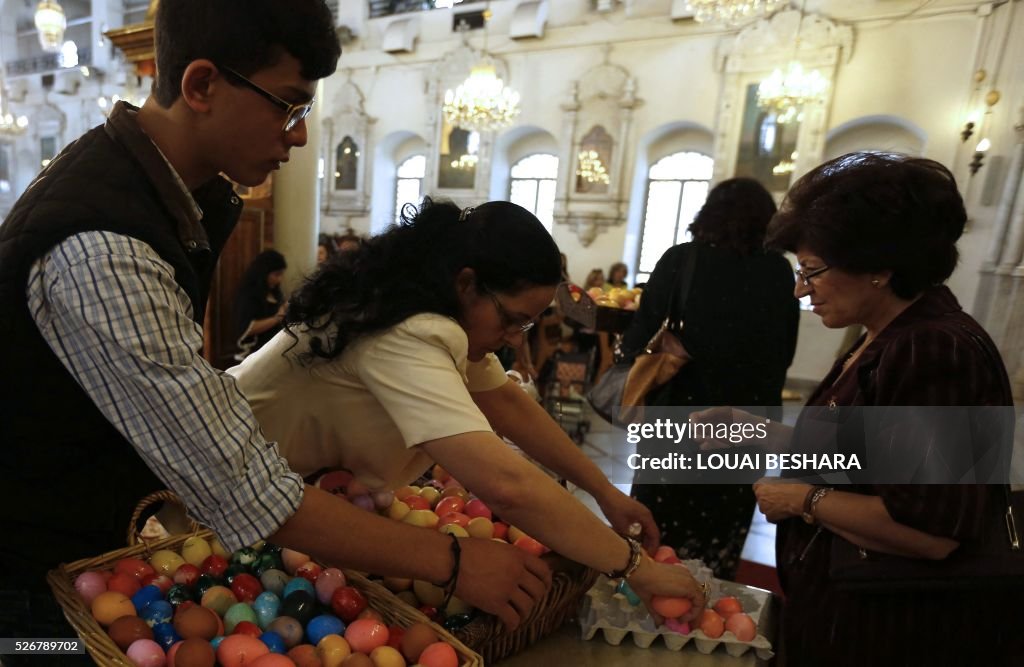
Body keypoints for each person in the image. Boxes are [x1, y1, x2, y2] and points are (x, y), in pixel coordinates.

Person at [0, 0, 549, 649]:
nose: (300, 136)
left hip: (87, 553)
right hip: (28, 592)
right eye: (287, 107)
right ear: (201, 85)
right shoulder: (103, 244)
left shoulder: (162, 199)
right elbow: (246, 488)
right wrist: (453, 560)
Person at [229, 198, 708, 618]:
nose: (511, 339)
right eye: (513, 321)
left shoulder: (435, 312)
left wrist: (604, 491)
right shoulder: (408, 329)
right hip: (218, 498)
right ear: (467, 284)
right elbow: (507, 487)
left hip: (281, 499)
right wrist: (634, 568)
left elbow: (506, 403)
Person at [703, 153, 1020, 665]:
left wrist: (800, 500)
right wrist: (758, 432)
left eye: (812, 271)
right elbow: (871, 457)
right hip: (841, 606)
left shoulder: (936, 349)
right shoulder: (884, 336)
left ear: (877, 265)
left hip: (884, 625)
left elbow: (932, 533)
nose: (800, 289)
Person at [621, 177, 799, 579]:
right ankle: (713, 615)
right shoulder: (779, 271)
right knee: (720, 536)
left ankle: (644, 609)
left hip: (677, 422)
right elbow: (783, 354)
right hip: (747, 424)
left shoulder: (680, 261)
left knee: (657, 533)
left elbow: (638, 341)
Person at [235, 249, 288, 358]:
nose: (279, 279)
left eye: (281, 275)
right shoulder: (249, 294)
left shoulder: (275, 292)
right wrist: (277, 318)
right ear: (264, 272)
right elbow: (247, 328)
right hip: (255, 353)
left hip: (274, 350)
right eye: (276, 275)